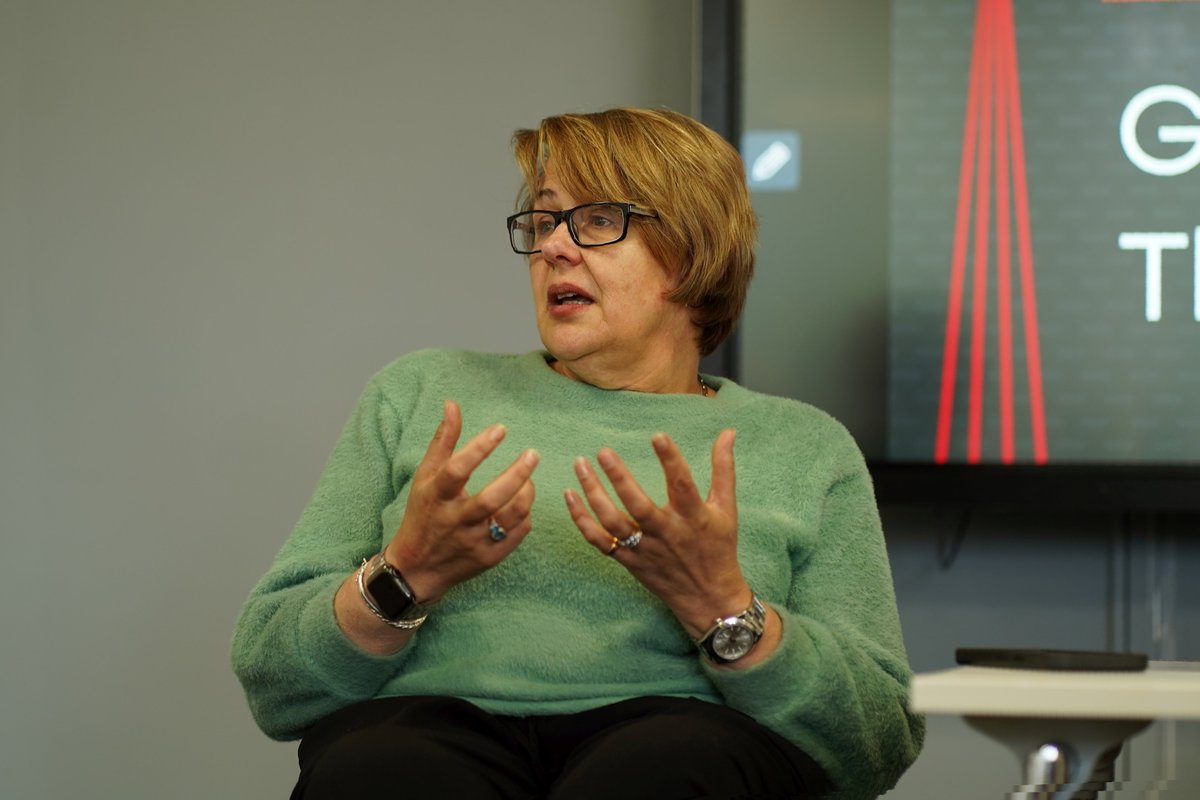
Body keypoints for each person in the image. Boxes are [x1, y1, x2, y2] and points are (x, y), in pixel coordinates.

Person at [231, 107, 924, 799]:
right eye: (542, 221)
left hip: (685, 742)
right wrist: (403, 575)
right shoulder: (419, 392)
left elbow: (875, 741)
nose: (553, 248)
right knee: (382, 774)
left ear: (691, 249)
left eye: (595, 220)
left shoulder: (804, 446)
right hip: (425, 736)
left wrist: (724, 609)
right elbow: (275, 683)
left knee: (663, 770)